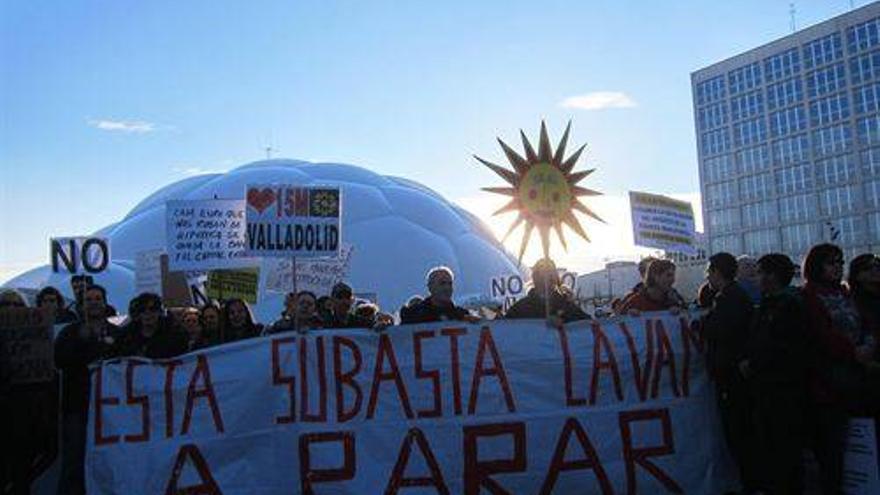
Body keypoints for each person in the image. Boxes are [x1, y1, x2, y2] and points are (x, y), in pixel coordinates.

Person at [802, 243, 872, 493]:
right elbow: (821, 334)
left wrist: (868, 344)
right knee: (831, 452)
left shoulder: (844, 293)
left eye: (841, 262)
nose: (838, 267)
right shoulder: (808, 296)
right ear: (816, 266)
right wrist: (852, 351)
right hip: (827, 384)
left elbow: (863, 324)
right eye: (832, 262)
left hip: (856, 376)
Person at [744, 253, 809, 494]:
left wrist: (756, 363)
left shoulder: (790, 305)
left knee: (785, 451)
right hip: (766, 389)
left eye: (759, 272)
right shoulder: (768, 303)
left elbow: (785, 348)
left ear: (772, 276)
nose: (756, 278)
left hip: (783, 391)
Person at [54, 284, 122, 495]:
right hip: (78, 407)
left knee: (110, 459)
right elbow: (59, 361)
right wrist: (84, 348)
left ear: (104, 302)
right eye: (89, 299)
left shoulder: (117, 333)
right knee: (75, 460)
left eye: (97, 298)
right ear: (82, 305)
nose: (93, 302)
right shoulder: (69, 333)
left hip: (111, 409)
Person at [702, 253, 759, 492]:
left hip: (733, 378)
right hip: (734, 374)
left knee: (739, 434)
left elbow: (721, 332)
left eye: (709, 272)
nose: (707, 276)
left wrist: (703, 324)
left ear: (717, 271)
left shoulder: (729, 299)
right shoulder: (732, 296)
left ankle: (749, 483)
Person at [504, 258, 589, 324]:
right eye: (541, 276)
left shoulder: (566, 306)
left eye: (550, 275)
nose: (546, 279)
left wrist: (564, 323)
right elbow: (504, 329)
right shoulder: (520, 308)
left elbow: (587, 327)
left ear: (555, 278)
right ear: (535, 278)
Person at [400, 266, 479, 324]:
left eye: (450, 284)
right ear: (430, 287)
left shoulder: (462, 315)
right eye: (442, 283)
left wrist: (475, 325)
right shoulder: (412, 314)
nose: (447, 288)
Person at [117, 293, 186, 359]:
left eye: (152, 309)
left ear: (159, 312)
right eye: (143, 309)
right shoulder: (126, 336)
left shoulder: (175, 334)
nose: (147, 313)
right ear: (138, 313)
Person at [615, 259, 683, 314]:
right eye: (668, 275)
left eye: (673, 275)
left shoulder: (675, 299)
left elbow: (689, 320)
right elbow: (614, 323)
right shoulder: (634, 302)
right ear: (655, 276)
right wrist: (628, 317)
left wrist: (680, 312)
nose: (673, 279)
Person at [323, 282, 393, 330]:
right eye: (340, 297)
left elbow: (376, 326)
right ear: (332, 300)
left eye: (347, 297)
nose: (344, 301)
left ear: (352, 300)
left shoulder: (361, 322)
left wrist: (383, 326)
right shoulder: (325, 324)